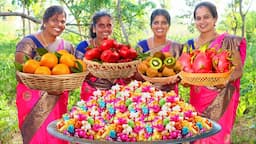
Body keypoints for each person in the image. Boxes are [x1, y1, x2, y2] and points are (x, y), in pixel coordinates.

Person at [184, 1, 246, 143]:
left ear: (215, 19)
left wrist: (224, 80)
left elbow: (238, 71)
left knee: (217, 136)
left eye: (206, 17)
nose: (202, 21)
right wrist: (186, 81)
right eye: (198, 18)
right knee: (198, 133)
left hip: (221, 99)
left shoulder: (227, 42)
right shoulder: (190, 45)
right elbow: (186, 72)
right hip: (197, 99)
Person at [15, 5, 74, 144]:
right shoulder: (28, 43)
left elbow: (70, 71)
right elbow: (20, 74)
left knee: (57, 134)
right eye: (54, 20)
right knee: (37, 137)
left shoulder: (67, 46)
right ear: (45, 21)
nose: (59, 25)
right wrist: (42, 82)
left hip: (57, 99)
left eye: (62, 21)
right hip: (33, 100)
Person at [136, 8, 182, 93]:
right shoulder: (141, 46)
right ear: (151, 25)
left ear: (169, 25)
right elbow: (135, 73)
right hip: (147, 94)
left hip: (170, 95)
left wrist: (174, 80)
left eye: (164, 23)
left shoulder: (176, 47)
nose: (160, 26)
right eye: (156, 23)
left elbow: (180, 72)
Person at [75, 10, 118, 101]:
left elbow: (123, 72)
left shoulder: (117, 48)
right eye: (101, 26)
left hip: (112, 95)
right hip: (89, 94)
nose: (106, 29)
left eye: (109, 25)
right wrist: (93, 80)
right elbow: (77, 71)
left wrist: (113, 80)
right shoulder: (83, 47)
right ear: (94, 29)